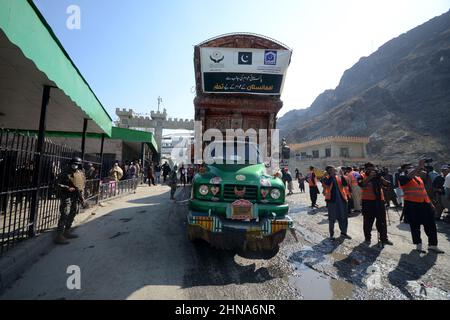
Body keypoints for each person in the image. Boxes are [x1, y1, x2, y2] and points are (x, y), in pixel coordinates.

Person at [399, 160, 444, 253]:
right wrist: (418, 167)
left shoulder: (418, 178)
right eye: (409, 167)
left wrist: (430, 204)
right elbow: (408, 178)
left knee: (431, 224)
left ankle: (433, 245)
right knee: (415, 226)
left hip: (424, 203)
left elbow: (423, 192)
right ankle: (418, 245)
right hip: (412, 204)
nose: (412, 168)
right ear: (405, 170)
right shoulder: (402, 177)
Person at [358, 163, 393, 246]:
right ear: (366, 169)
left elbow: (387, 184)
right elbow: (361, 184)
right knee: (368, 221)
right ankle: (367, 238)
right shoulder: (361, 176)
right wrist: (370, 177)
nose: (372, 171)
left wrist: (382, 178)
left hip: (379, 201)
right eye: (369, 169)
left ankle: (384, 238)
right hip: (368, 202)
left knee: (382, 221)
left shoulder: (378, 176)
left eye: (373, 169)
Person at [54, 157, 86, 245]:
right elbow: (56, 184)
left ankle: (67, 231)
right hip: (66, 196)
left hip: (76, 196)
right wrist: (67, 188)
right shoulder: (65, 172)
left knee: (73, 212)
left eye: (77, 164)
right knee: (65, 213)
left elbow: (82, 186)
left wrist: (82, 197)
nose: (75, 166)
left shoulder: (80, 173)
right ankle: (59, 235)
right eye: (74, 164)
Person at [322, 166, 351, 241]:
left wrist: (342, 175)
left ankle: (344, 233)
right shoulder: (326, 178)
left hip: (342, 200)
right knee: (332, 219)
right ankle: (331, 235)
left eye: (333, 170)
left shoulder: (339, 177)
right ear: (328, 171)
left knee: (343, 217)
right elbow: (327, 184)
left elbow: (345, 184)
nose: (333, 171)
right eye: (331, 170)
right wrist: (331, 176)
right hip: (332, 201)